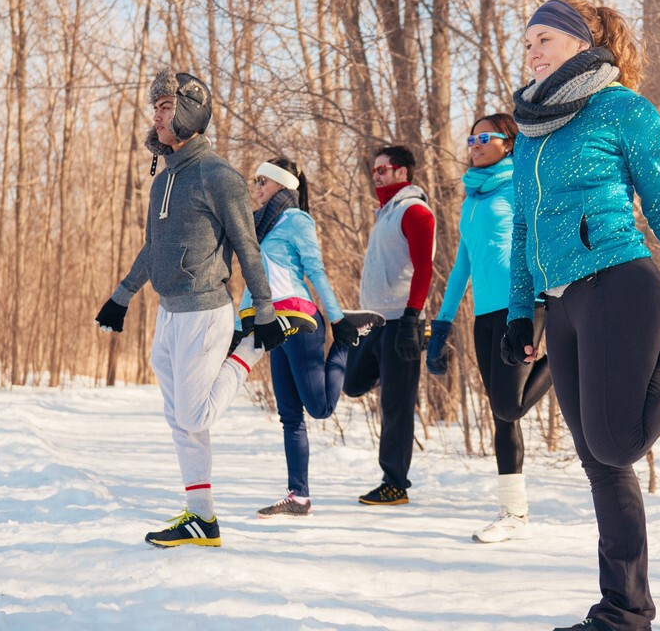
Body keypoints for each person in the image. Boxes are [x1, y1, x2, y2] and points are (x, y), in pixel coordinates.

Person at [504, 0, 660, 631]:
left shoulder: (623, 110)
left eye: (545, 38)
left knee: (617, 443)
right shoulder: (528, 131)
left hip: (619, 285)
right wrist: (519, 313)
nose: (532, 49)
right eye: (527, 40)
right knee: (601, 465)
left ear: (583, 44)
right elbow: (523, 228)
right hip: (560, 303)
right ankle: (624, 611)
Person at [94, 70, 297, 548]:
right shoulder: (164, 179)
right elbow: (154, 247)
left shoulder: (219, 176)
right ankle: (201, 518)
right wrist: (122, 295)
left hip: (207, 309)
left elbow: (248, 247)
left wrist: (263, 311)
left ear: (188, 111)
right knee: (178, 417)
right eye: (156, 108)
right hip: (170, 310)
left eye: (166, 107)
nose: (158, 116)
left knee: (195, 416)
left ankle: (248, 352)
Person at [425, 113, 553, 543]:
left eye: (485, 137)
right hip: (485, 315)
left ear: (509, 143)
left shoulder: (522, 185)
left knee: (508, 407)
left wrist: (549, 298)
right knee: (502, 416)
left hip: (524, 307)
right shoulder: (472, 199)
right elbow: (462, 264)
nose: (474, 144)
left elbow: (541, 241)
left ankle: (565, 355)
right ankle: (513, 514)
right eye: (471, 138)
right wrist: (442, 323)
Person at [237, 157, 384, 518]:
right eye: (255, 181)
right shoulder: (259, 227)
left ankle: (349, 342)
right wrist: (242, 324)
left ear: (281, 185)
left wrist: (337, 321)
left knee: (320, 408)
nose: (256, 187)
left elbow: (315, 271)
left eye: (262, 181)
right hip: (273, 326)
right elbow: (254, 280)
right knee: (289, 415)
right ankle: (298, 497)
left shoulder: (297, 220)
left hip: (301, 320)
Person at [342, 145, 436, 505]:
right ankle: (391, 373)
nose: (376, 176)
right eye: (374, 171)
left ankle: (395, 483)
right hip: (375, 321)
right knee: (351, 384)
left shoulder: (414, 211)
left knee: (396, 407)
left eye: (384, 170)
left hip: (402, 323)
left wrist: (414, 316)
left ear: (402, 173)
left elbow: (424, 268)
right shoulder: (386, 212)